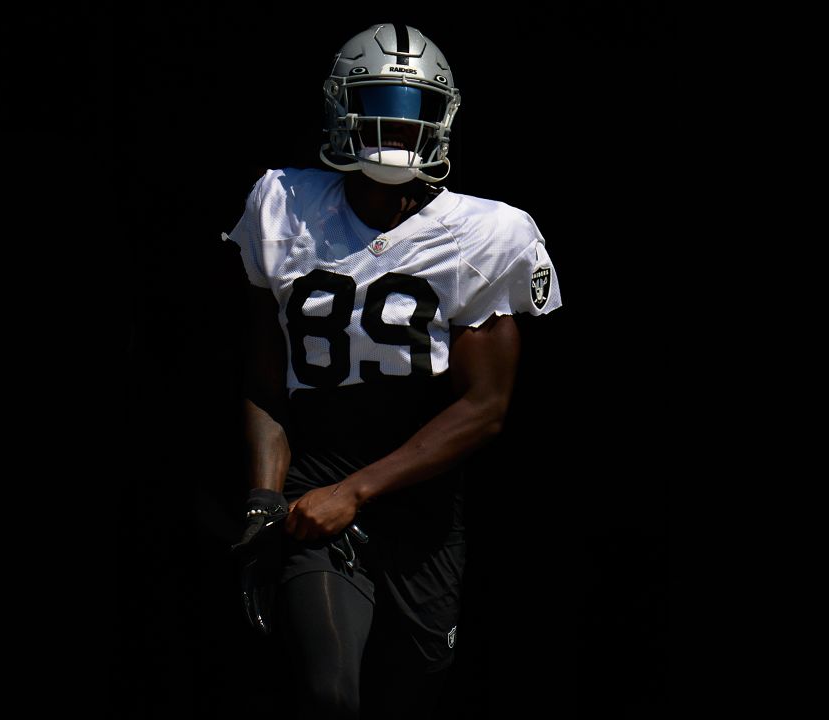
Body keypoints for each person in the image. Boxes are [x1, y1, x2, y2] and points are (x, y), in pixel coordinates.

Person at [224, 23, 562, 720]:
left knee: (408, 694)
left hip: (420, 497)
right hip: (316, 475)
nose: (394, 125)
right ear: (338, 106)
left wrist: (359, 491)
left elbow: (484, 408)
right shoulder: (282, 202)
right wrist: (265, 494)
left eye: (413, 110)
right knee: (330, 694)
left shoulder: (489, 234)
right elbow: (265, 375)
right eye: (377, 100)